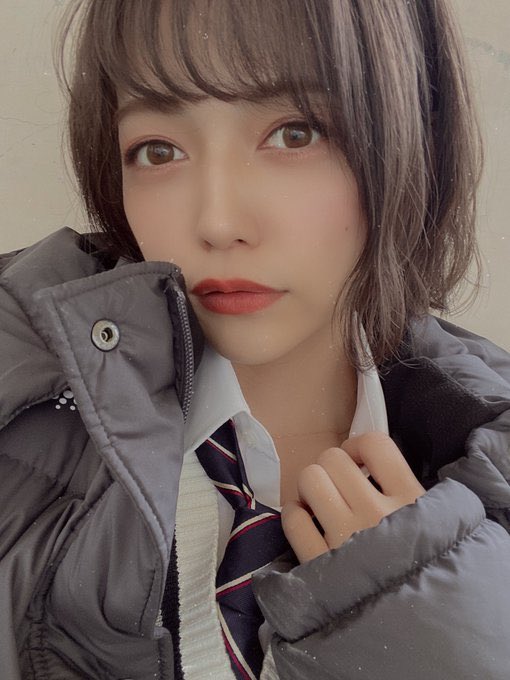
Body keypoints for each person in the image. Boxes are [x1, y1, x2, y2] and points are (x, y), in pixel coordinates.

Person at [1, 0, 510, 678]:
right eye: (158, 150)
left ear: (416, 135)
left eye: (295, 134)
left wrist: (429, 631)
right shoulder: (17, 408)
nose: (217, 222)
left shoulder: (489, 458)